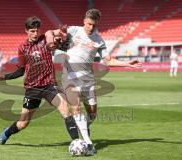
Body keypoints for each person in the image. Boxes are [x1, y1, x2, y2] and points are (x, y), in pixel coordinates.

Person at [58, 9, 141, 155]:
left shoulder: (99, 40)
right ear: (84, 21)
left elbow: (108, 60)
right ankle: (88, 144)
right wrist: (59, 35)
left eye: (93, 25)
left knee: (92, 115)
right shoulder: (73, 30)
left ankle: (83, 127)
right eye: (89, 24)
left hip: (88, 80)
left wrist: (127, 64)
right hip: (70, 76)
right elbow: (54, 34)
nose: (90, 27)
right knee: (76, 108)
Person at [0, 16, 79, 147]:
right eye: (32, 31)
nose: (35, 33)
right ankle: (6, 133)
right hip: (32, 88)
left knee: (65, 109)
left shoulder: (45, 39)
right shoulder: (23, 48)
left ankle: (77, 142)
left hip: (49, 86)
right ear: (26, 31)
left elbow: (57, 32)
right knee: (23, 124)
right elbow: (21, 70)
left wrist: (63, 32)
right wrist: (5, 77)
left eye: (37, 30)